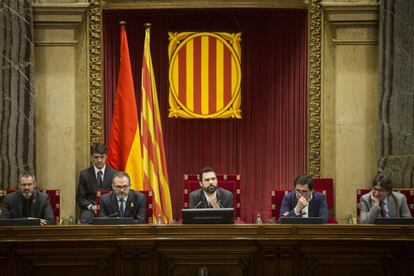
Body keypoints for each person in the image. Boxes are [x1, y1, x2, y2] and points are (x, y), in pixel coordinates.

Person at [76, 143, 117, 223]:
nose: (99, 160)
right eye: (96, 157)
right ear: (91, 157)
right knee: (86, 218)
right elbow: (80, 198)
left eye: (102, 157)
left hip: (109, 209)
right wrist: (91, 207)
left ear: (106, 157)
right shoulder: (84, 174)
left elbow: (117, 195)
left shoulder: (114, 174)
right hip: (90, 210)